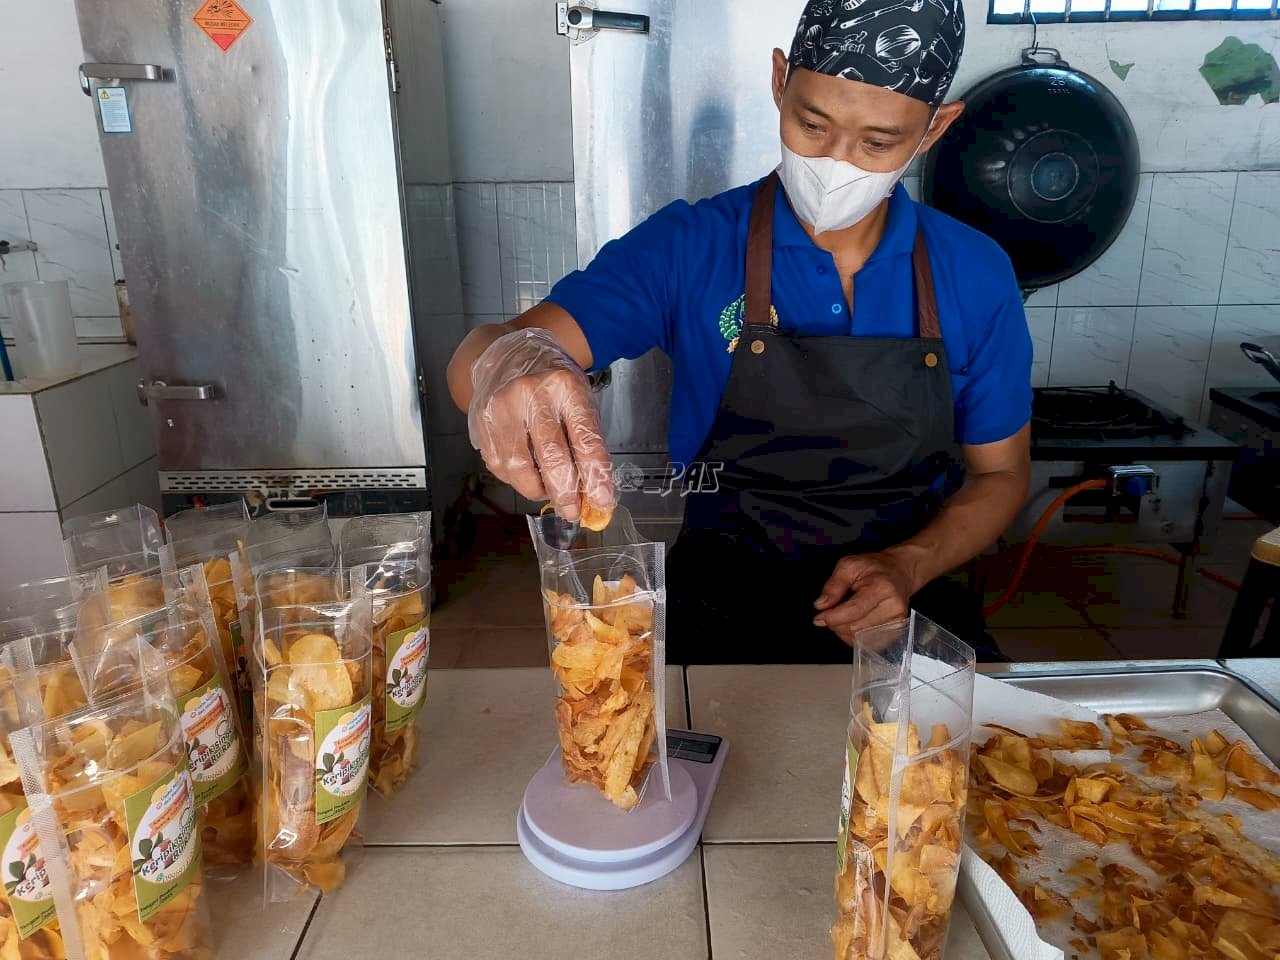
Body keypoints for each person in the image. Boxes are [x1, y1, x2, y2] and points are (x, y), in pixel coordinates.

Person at [448, 0, 1032, 664]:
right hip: (722, 597)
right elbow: (485, 353)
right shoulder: (689, 246)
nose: (836, 163)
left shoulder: (976, 273)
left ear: (935, 128)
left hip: (909, 596)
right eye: (813, 123)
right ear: (780, 81)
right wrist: (509, 368)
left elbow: (1003, 472)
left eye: (878, 142)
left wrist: (907, 563)